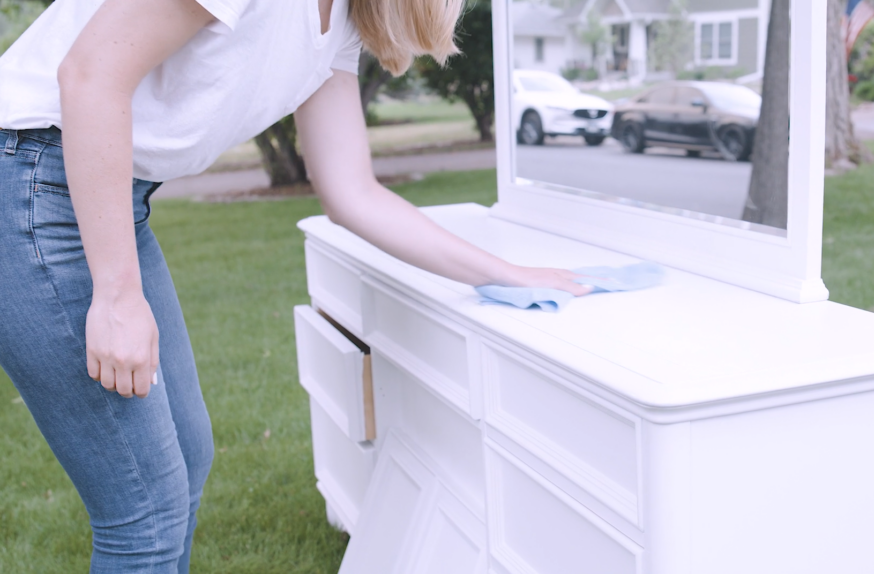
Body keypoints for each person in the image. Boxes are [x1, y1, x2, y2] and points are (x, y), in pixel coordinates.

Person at [0, 0, 590, 571]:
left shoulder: (343, 22)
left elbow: (351, 190)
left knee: (187, 457)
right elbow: (88, 74)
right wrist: (117, 295)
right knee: (145, 510)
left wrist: (505, 273)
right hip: (28, 177)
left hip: (100, 193)